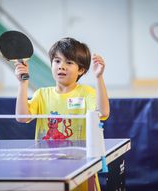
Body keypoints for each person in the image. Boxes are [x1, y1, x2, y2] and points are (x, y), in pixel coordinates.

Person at [15, 37, 110, 190]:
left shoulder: (87, 93)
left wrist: (99, 77)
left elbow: (103, 112)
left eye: (69, 62)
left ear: (81, 70)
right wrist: (23, 83)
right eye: (57, 61)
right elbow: (21, 117)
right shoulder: (42, 94)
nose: (61, 67)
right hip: (47, 169)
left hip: (81, 167)